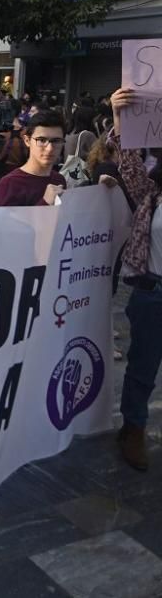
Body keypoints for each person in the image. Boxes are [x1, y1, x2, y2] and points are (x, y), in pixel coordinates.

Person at [106, 88, 162, 471]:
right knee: (143, 366)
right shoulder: (151, 196)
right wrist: (121, 116)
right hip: (152, 293)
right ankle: (133, 429)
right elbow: (128, 164)